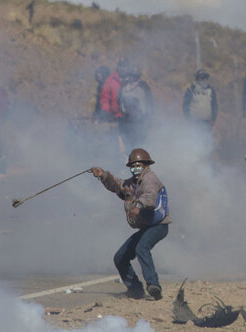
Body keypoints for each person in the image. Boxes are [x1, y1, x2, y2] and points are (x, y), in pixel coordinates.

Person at [89, 148, 169, 301]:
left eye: (138, 166)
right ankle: (135, 291)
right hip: (146, 228)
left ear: (146, 165)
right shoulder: (133, 183)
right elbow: (118, 185)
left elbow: (150, 197)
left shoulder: (150, 179)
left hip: (159, 226)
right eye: (132, 167)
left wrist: (137, 206)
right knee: (120, 257)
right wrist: (103, 175)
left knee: (141, 248)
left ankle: (154, 286)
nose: (135, 169)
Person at [117, 65, 153, 150]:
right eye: (130, 75)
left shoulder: (143, 87)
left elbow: (148, 106)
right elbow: (119, 102)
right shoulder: (124, 88)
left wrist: (147, 123)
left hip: (139, 123)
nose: (132, 77)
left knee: (139, 146)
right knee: (127, 147)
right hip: (126, 122)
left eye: (134, 76)